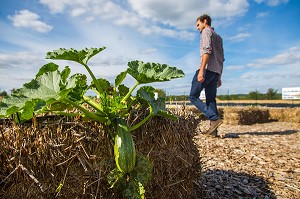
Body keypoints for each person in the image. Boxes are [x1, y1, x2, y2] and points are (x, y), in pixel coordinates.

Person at [189, 14, 224, 137]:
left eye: (198, 24)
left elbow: (206, 51)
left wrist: (201, 70)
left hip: (207, 70)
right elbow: (221, 59)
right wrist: (219, 76)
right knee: (210, 100)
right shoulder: (219, 37)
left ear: (205, 21)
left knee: (193, 97)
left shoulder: (206, 32)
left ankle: (214, 118)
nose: (197, 28)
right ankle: (213, 132)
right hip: (215, 72)